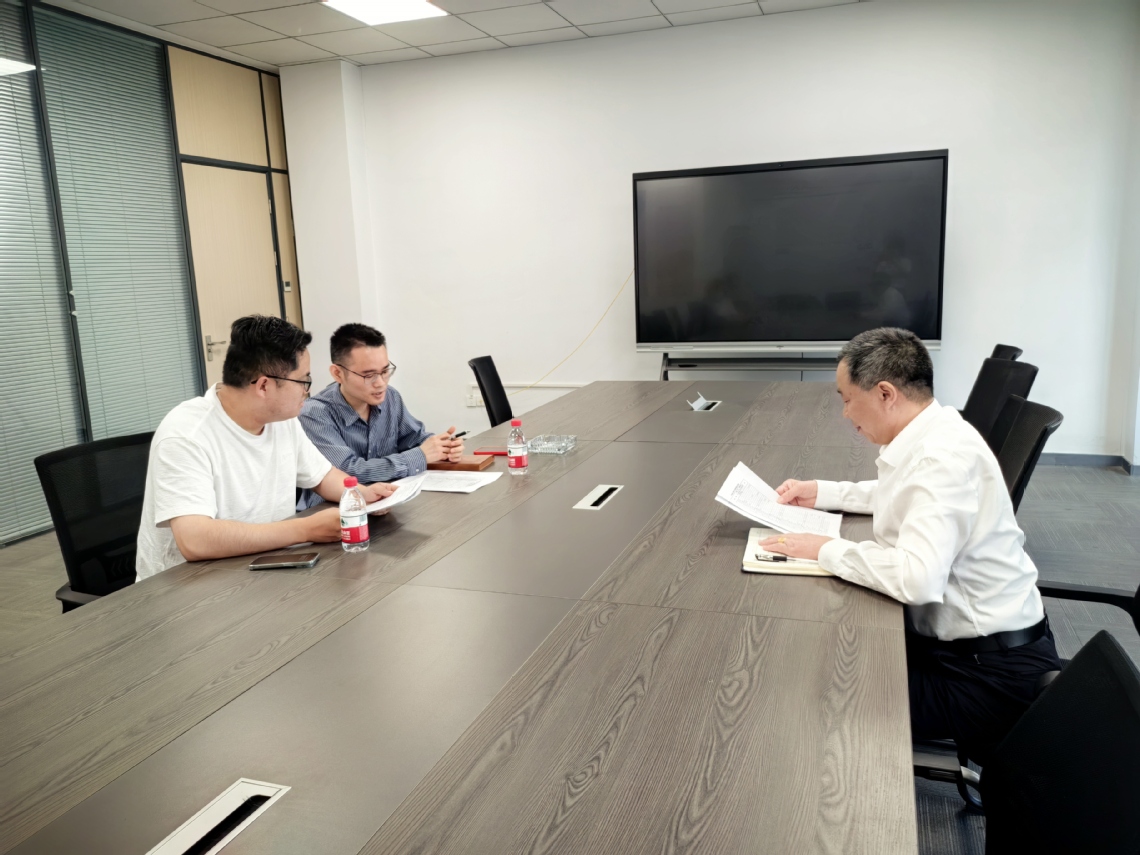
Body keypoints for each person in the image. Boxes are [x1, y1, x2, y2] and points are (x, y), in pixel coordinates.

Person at [761, 327, 1060, 764]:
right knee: (825, 649)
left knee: (817, 695)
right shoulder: (936, 430)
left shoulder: (941, 459)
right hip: (974, 648)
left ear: (885, 393)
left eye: (848, 399)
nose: (845, 413)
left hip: (988, 677)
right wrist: (823, 492)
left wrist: (825, 548)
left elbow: (917, 580)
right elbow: (907, 494)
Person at [136, 315, 395, 581]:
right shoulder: (186, 434)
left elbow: (323, 476)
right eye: (303, 381)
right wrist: (305, 529)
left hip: (266, 570)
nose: (307, 391)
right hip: (189, 586)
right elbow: (195, 540)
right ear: (263, 385)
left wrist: (361, 495)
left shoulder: (282, 420)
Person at [299, 324, 463, 499]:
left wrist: (443, 446)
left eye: (385, 371)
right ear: (338, 373)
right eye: (369, 375)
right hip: (337, 507)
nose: (381, 383)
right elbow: (347, 473)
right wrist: (420, 455)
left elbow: (413, 438)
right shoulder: (314, 414)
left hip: (386, 500)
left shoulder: (390, 397)